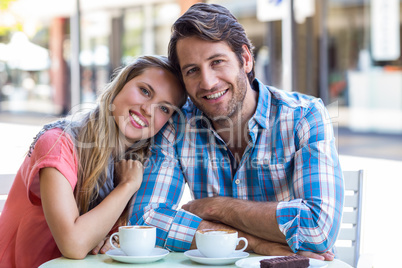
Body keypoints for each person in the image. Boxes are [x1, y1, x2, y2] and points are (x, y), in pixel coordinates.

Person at [129, 3, 344, 260]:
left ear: (245, 59)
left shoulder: (303, 116)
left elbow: (317, 230)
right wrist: (253, 243)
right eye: (192, 70)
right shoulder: (176, 125)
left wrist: (215, 207)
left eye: (217, 62)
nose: (207, 82)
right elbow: (147, 218)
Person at [0, 55, 186, 267]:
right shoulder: (58, 142)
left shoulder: (141, 163)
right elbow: (74, 244)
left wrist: (112, 239)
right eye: (145, 91)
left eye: (164, 108)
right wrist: (127, 186)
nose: (148, 109)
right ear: (119, 86)